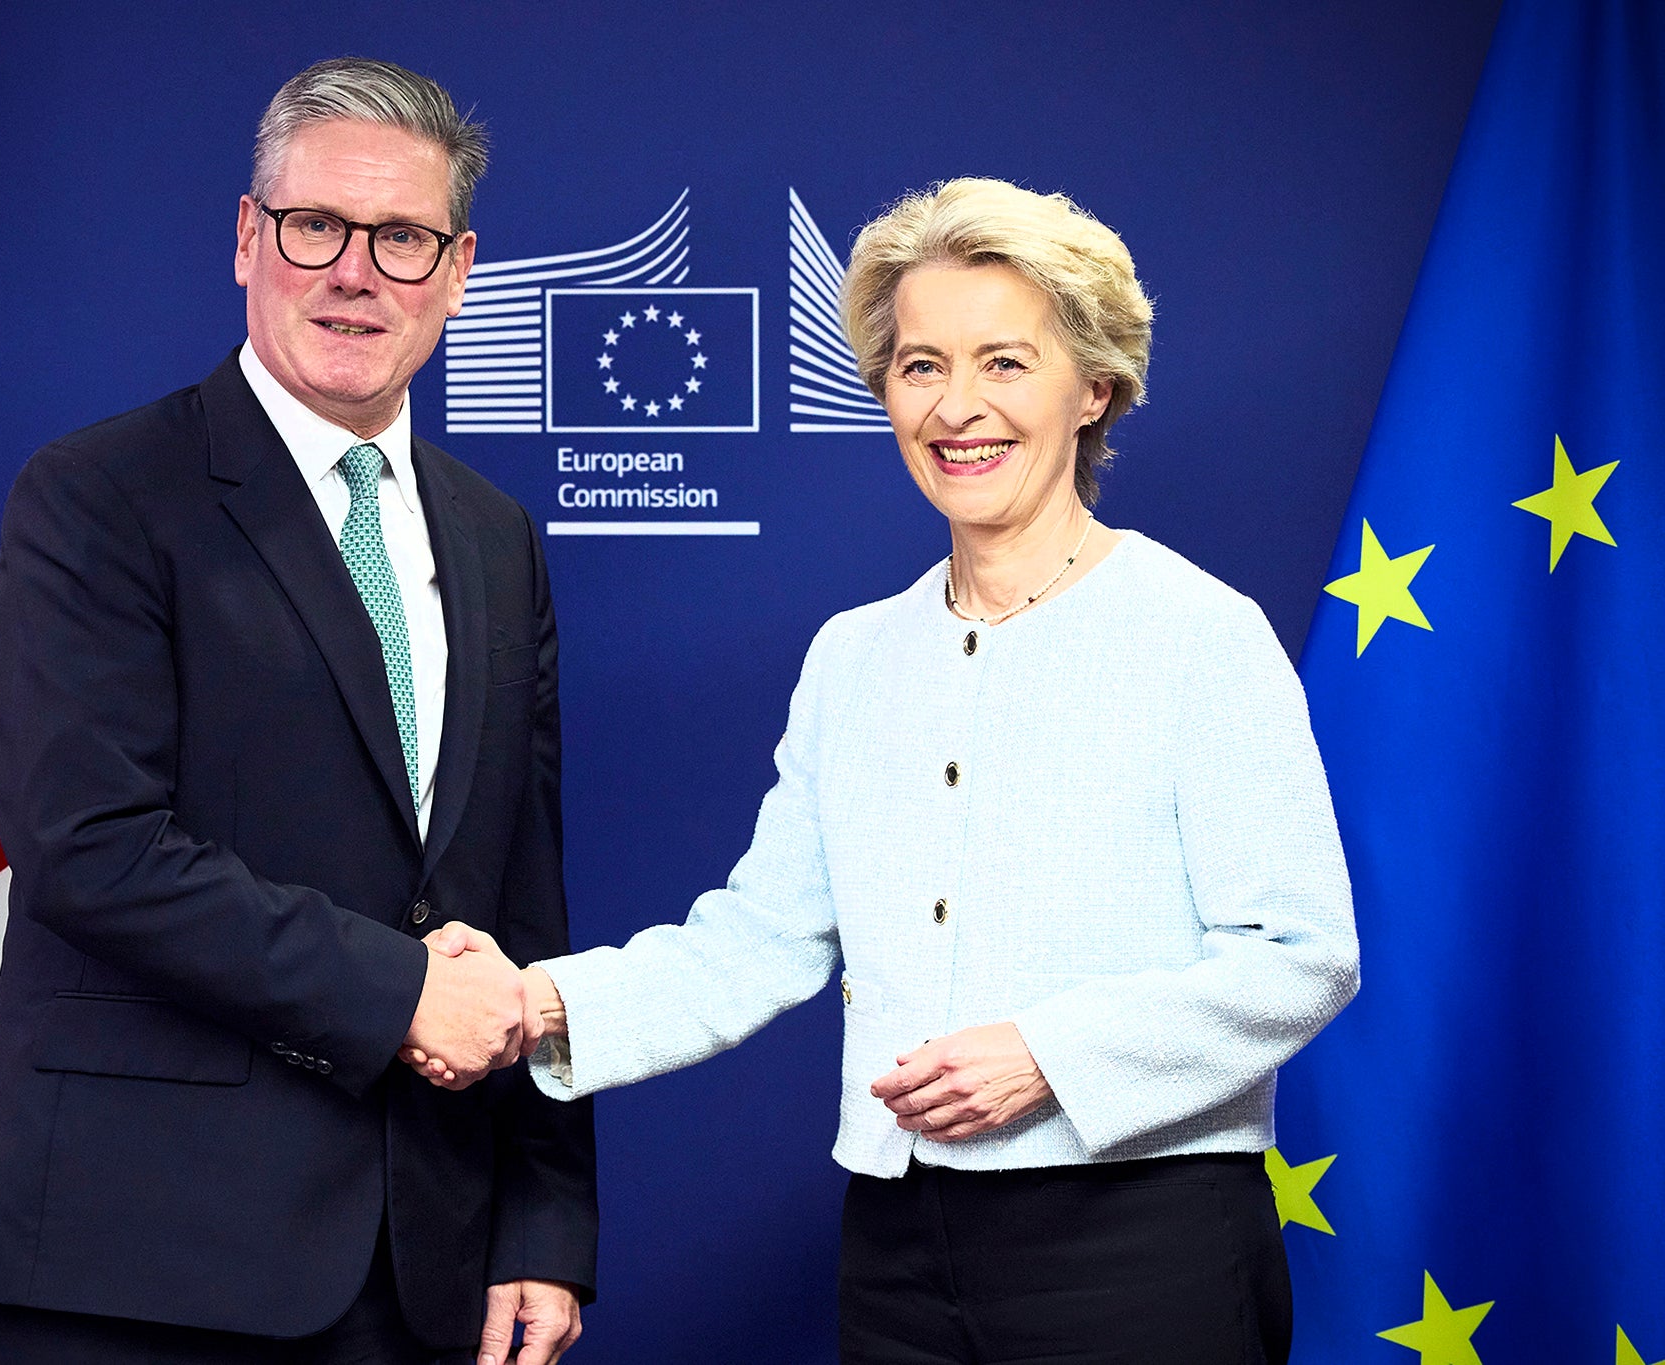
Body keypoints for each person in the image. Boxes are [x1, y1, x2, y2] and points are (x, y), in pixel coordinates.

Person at [415, 177, 1358, 1364]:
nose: (955, 408)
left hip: (1140, 1242)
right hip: (897, 1243)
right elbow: (757, 939)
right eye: (919, 367)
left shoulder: (1199, 634)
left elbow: (1301, 956)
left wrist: (1048, 1058)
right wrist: (535, 1004)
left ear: (1094, 388)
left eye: (1004, 363)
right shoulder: (852, 655)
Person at [0, 58, 595, 1365]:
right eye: (315, 226)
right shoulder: (102, 496)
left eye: (401, 239)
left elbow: (523, 905)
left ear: (456, 273)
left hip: (422, 1267)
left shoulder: (498, 540)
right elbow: (91, 847)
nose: (355, 271)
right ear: (247, 239)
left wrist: (543, 1222)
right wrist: (403, 994)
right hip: (136, 1267)